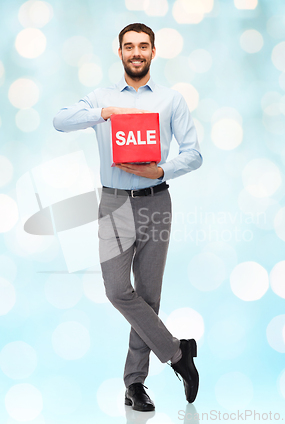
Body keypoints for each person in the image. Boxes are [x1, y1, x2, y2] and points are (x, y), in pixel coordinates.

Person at [53, 23, 202, 412]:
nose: (136, 52)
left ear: (154, 52)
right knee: (118, 290)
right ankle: (177, 352)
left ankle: (134, 385)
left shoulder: (171, 100)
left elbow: (194, 153)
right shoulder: (100, 98)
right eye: (129, 46)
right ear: (119, 52)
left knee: (148, 297)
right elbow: (60, 120)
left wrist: (162, 171)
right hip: (115, 204)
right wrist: (104, 113)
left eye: (143, 46)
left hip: (156, 200)